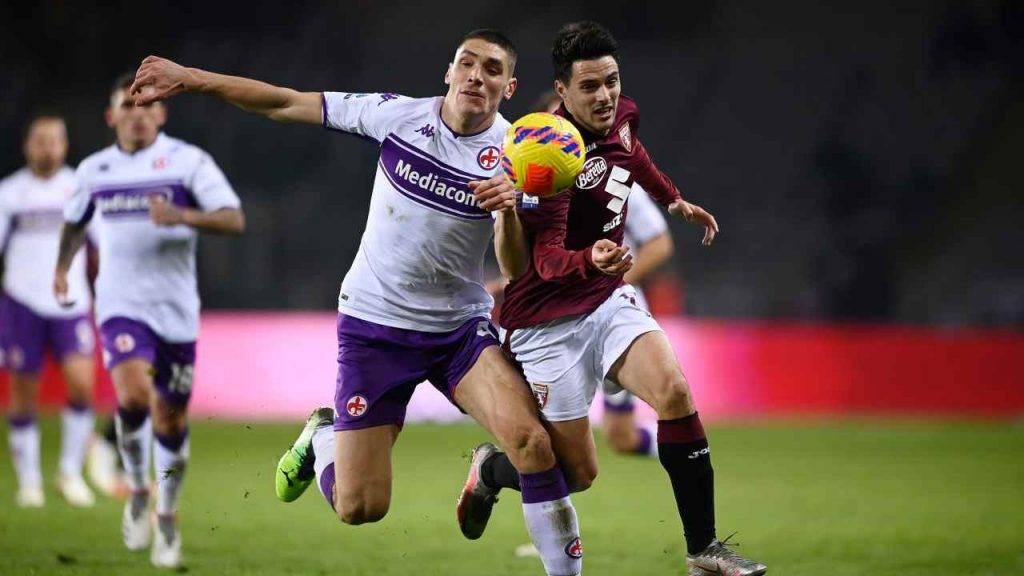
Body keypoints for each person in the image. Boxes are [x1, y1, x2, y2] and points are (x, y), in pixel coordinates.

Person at [128, 29, 584, 576]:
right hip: (376, 328)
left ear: (508, 87)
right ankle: (322, 438)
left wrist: (509, 209)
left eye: (491, 69)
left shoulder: (519, 156)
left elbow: (513, 270)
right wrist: (191, 78)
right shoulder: (395, 117)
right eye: (467, 63)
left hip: (458, 332)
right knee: (360, 507)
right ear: (449, 71)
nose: (475, 76)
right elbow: (284, 101)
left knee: (533, 444)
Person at [459, 22, 767, 576]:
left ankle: (704, 550)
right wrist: (592, 258)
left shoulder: (622, 113)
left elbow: (632, 153)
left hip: (606, 300)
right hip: (546, 322)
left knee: (673, 391)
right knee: (574, 474)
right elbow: (542, 262)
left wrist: (673, 201)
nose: (604, 96)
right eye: (590, 87)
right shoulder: (540, 154)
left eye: (611, 82)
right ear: (561, 91)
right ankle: (489, 472)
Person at [55, 73, 246, 569]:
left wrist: (184, 217)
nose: (137, 113)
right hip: (120, 307)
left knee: (170, 419)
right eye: (128, 105)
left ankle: (165, 515)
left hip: (176, 313)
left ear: (161, 114)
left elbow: (232, 218)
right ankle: (138, 491)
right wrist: (60, 271)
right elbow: (74, 225)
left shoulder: (188, 162)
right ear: (112, 115)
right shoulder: (94, 170)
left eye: (147, 106)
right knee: (134, 397)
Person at [529, 89, 674, 459]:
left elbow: (659, 243)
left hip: (609, 317)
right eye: (552, 128)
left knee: (622, 437)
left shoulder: (614, 175)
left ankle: (684, 450)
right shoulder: (533, 189)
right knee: (546, 441)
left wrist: (608, 282)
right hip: (552, 321)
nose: (561, 137)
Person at [1, 114, 97, 508]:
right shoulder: (9, 192)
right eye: (39, 141)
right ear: (27, 145)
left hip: (71, 304)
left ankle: (70, 473)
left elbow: (101, 244)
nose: (46, 148)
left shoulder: (80, 188)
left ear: (64, 145)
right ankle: (30, 482)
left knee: (82, 385)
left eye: (53, 140)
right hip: (22, 301)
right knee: (23, 392)